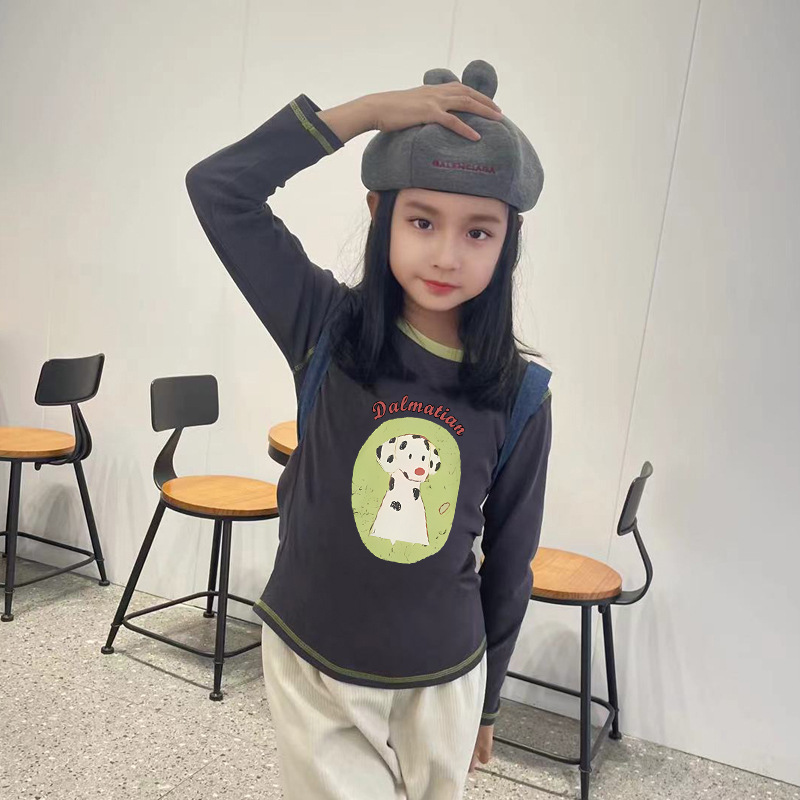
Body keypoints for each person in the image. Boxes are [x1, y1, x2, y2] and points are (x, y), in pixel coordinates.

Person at [184, 58, 553, 800]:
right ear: (380, 213)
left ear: (507, 241)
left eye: (478, 231)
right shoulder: (326, 328)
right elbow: (219, 189)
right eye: (422, 221)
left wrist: (488, 702)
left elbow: (511, 560)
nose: (446, 254)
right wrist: (365, 113)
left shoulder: (521, 394)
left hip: (442, 679)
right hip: (314, 662)